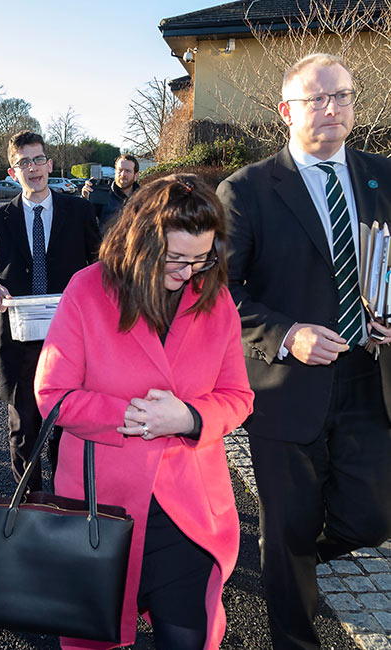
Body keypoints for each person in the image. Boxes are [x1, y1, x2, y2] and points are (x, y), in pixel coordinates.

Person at [35, 174, 254, 649]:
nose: (189, 272)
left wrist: (189, 418)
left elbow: (238, 395)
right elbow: (53, 392)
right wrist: (133, 418)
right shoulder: (88, 289)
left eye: (202, 258)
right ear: (143, 242)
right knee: (95, 638)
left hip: (190, 510)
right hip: (102, 507)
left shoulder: (216, 299)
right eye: (176, 258)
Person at [218, 53, 391, 650]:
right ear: (286, 111)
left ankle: (293, 559)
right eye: (317, 99)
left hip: (369, 378)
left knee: (374, 516)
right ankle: (292, 621)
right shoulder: (247, 190)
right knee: (288, 528)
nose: (332, 108)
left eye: (342, 96)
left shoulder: (383, 176)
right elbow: (218, 293)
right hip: (286, 389)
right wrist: (288, 334)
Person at [0, 130, 100, 492]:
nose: (33, 168)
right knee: (24, 431)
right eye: (24, 162)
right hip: (19, 343)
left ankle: (65, 499)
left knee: (67, 428)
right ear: (13, 172)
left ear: (49, 163)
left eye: (38, 159)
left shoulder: (79, 212)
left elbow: (99, 265)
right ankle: (30, 506)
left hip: (70, 342)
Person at [82, 154, 141, 230]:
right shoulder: (103, 194)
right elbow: (85, 220)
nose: (123, 174)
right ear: (115, 172)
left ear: (136, 175)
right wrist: (85, 199)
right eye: (120, 170)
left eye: (128, 171)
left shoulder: (144, 198)